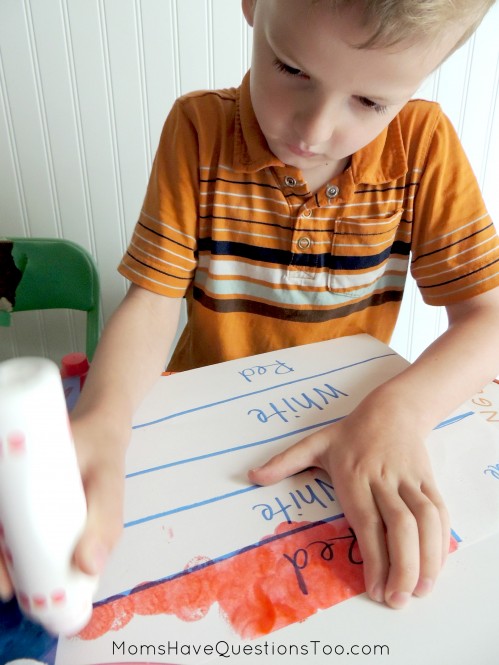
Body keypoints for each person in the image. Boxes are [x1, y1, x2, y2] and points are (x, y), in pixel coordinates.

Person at [2, 0, 499, 613]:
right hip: (203, 434)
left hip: (349, 431)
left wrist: (398, 413)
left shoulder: (423, 146)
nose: (312, 132)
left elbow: (489, 319)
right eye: (292, 70)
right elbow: (154, 301)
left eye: (369, 102)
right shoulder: (198, 129)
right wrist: (105, 417)